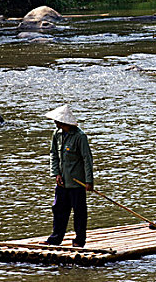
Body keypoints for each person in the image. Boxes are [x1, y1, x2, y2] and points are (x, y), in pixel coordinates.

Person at [43, 104, 94, 248]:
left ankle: (79, 240)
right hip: (62, 182)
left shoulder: (80, 137)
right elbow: (54, 154)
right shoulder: (57, 134)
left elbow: (87, 160)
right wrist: (56, 173)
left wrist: (89, 181)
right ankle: (55, 239)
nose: (56, 123)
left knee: (79, 212)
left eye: (58, 121)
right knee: (58, 209)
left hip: (77, 183)